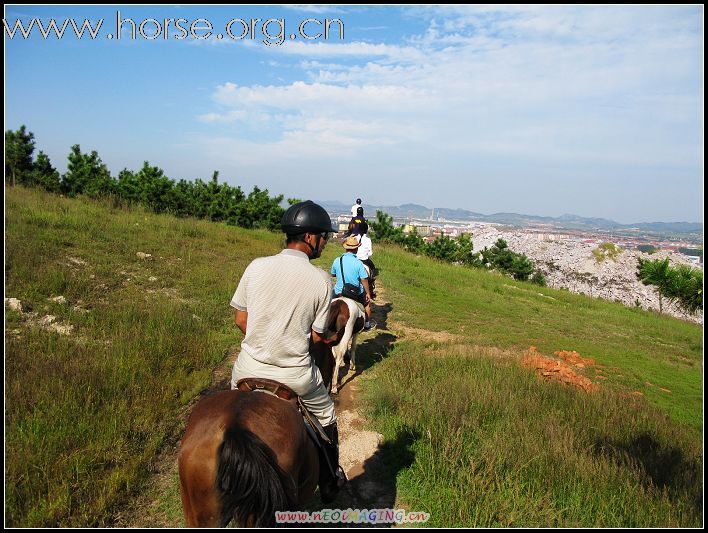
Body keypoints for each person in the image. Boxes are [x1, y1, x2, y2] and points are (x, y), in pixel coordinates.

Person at [229, 200, 346, 502]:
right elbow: (318, 337)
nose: (325, 241)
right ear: (309, 237)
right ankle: (331, 478)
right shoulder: (321, 280)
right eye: (324, 236)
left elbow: (241, 320)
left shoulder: (256, 266)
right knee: (327, 415)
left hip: (246, 369)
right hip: (295, 377)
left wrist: (266, 338)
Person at [331, 235, 376, 331]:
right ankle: (367, 325)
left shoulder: (337, 260)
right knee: (367, 304)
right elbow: (364, 279)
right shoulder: (358, 263)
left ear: (346, 248)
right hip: (355, 292)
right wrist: (368, 293)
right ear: (356, 249)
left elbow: (333, 274)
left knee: (327, 303)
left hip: (339, 291)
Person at [356, 224, 377, 299]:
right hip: (364, 260)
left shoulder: (355, 238)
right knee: (373, 270)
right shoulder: (368, 240)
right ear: (366, 230)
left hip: (355, 259)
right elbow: (370, 253)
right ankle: (371, 289)